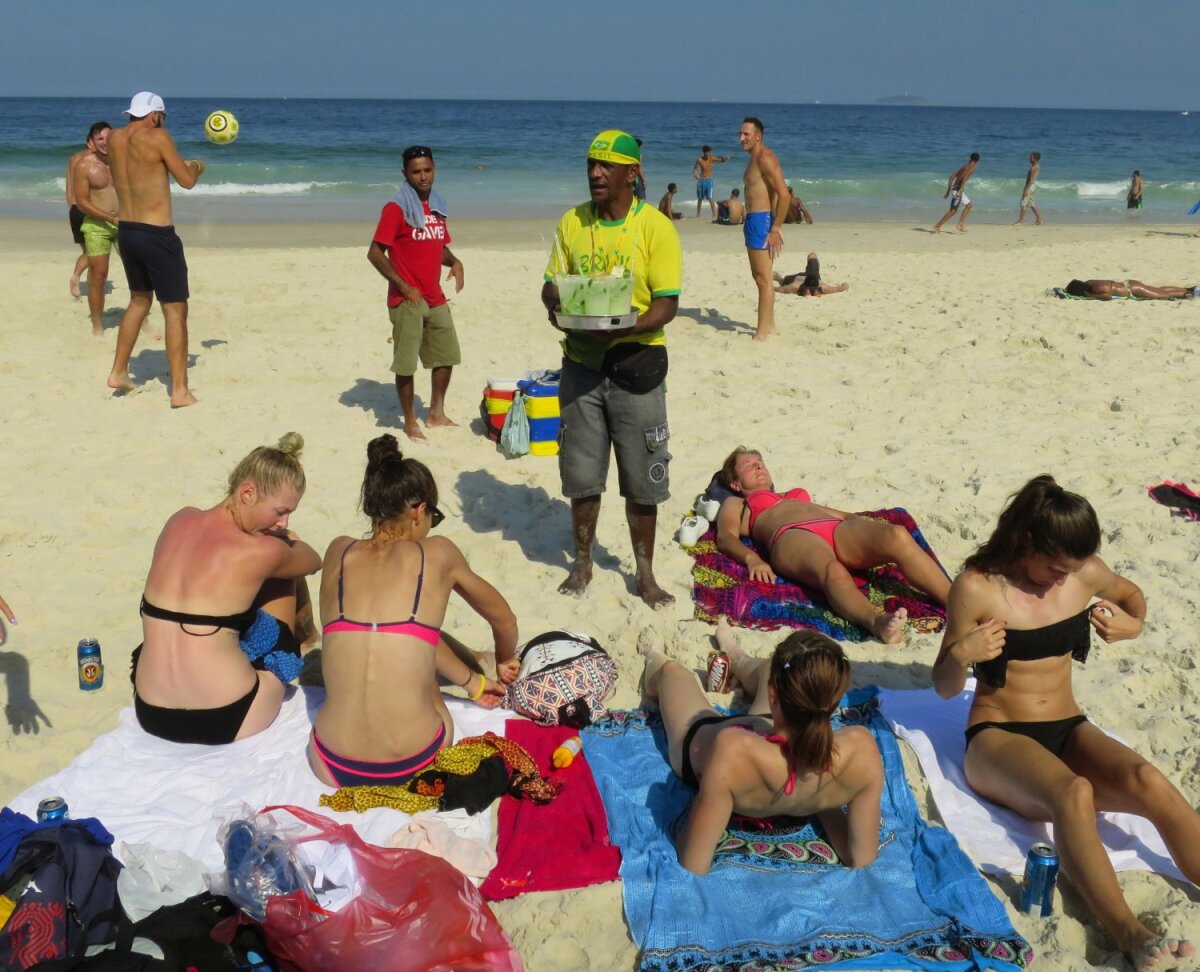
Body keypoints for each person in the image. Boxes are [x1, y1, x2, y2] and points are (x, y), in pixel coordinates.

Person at [931, 475, 1198, 971]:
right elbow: (944, 685)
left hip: (1068, 724)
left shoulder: (1083, 572)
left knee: (1147, 779)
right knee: (1074, 793)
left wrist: (1131, 626)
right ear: (1028, 540)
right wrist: (962, 654)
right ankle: (1130, 934)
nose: (1061, 580)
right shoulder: (977, 586)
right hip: (996, 736)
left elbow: (1133, 597)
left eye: (1070, 571)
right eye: (1054, 568)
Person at [308, 434, 519, 788]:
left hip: (330, 763)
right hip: (413, 762)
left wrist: (472, 682)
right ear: (418, 511)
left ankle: (472, 678)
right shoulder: (437, 553)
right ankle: (473, 676)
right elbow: (504, 619)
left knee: (401, 636)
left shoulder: (337, 551)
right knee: (418, 656)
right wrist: (505, 658)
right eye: (434, 516)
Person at [541, 129, 682, 609]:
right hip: (581, 364)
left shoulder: (655, 228)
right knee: (581, 474)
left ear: (632, 173)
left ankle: (644, 573)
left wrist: (623, 328)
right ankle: (582, 562)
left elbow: (667, 304)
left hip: (637, 367)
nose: (596, 173)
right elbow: (550, 284)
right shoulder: (572, 222)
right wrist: (556, 306)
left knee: (642, 479)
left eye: (606, 166)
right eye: (590, 164)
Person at [640, 619, 883, 875]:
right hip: (774, 727)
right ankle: (736, 656)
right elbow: (860, 857)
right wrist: (821, 802)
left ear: (773, 695)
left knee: (672, 673)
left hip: (703, 739)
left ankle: (653, 654)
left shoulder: (733, 749)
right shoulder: (862, 749)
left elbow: (693, 861)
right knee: (770, 669)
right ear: (835, 700)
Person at [132, 433, 321, 745]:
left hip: (151, 712)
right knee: (285, 562)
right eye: (280, 511)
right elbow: (313, 561)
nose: (284, 522)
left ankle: (308, 636)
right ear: (247, 492)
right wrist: (288, 541)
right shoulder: (261, 551)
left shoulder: (179, 519)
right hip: (228, 716)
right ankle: (308, 638)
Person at [714, 447, 950, 644]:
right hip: (792, 535)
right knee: (832, 570)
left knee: (896, 535)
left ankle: (956, 601)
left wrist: (867, 526)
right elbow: (726, 537)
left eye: (760, 462)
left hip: (833, 527)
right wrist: (752, 559)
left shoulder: (791, 494)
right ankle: (876, 622)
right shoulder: (737, 503)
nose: (758, 466)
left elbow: (844, 515)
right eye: (748, 465)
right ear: (735, 483)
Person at [105, 92, 205, 408]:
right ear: (154, 115)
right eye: (162, 117)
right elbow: (186, 180)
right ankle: (180, 390)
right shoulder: (159, 136)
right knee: (175, 309)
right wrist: (196, 166)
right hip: (156, 233)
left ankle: (119, 371)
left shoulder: (114, 139)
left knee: (139, 300)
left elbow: (137, 172)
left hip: (128, 231)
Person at [368, 145, 464, 442]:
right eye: (416, 172)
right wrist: (403, 285)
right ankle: (410, 422)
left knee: (447, 356)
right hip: (407, 298)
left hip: (435, 295)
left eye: (427, 170)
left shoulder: (437, 206)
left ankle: (436, 413)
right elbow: (375, 253)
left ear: (435, 169)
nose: (423, 177)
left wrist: (455, 261)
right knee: (407, 364)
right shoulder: (396, 208)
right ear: (405, 174)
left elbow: (437, 246)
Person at [738, 117, 790, 341]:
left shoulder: (766, 158)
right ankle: (771, 326)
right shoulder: (754, 159)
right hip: (753, 220)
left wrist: (775, 228)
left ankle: (761, 334)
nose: (741, 138)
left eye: (746, 134)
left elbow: (784, 194)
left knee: (763, 280)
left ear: (758, 136)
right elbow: (773, 193)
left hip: (761, 221)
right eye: (740, 134)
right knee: (761, 276)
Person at [71, 122, 119, 336]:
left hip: (126, 223)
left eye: (108, 138)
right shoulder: (84, 165)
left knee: (137, 274)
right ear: (92, 142)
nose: (105, 143)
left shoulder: (123, 160)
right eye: (100, 139)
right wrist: (110, 218)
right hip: (97, 226)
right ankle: (97, 325)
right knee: (98, 277)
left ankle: (142, 320)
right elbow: (81, 202)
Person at [67, 123, 108, 299]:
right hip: (88, 210)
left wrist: (71, 209)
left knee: (88, 252)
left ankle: (81, 278)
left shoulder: (74, 159)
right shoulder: (90, 161)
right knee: (93, 253)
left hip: (74, 210)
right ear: (90, 142)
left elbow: (69, 189)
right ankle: (77, 276)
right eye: (98, 140)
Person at [933, 152, 980, 234]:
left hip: (955, 189)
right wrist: (961, 189)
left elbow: (951, 177)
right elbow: (965, 177)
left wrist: (948, 191)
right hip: (958, 190)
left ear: (970, 158)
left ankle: (960, 224)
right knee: (953, 211)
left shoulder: (964, 166)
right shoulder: (971, 167)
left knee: (969, 205)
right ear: (977, 161)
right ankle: (938, 226)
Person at [774, 253, 849, 296]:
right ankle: (778, 278)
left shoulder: (796, 287)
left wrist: (844, 285)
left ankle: (778, 278)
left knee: (782, 281)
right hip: (800, 278)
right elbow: (842, 288)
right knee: (782, 281)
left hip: (800, 278)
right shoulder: (824, 288)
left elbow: (779, 289)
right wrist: (845, 284)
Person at [1062, 278, 1196, 301]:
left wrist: (1092, 296)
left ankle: (1187, 293)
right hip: (1128, 283)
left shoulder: (1094, 290)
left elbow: (1107, 296)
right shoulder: (1090, 282)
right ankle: (1187, 288)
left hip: (1132, 290)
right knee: (1158, 290)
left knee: (1162, 295)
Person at [692, 145, 730, 219]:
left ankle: (714, 214)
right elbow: (694, 169)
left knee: (710, 198)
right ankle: (698, 214)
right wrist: (695, 175)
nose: (709, 154)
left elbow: (721, 160)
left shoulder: (711, 158)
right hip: (701, 181)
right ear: (704, 152)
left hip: (709, 181)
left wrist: (725, 159)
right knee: (700, 198)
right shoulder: (699, 159)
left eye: (710, 152)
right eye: (708, 152)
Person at [1014, 152, 1042, 226]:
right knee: (1031, 204)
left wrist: (1026, 190)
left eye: (1031, 157)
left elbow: (1031, 180)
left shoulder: (1034, 168)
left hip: (1030, 186)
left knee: (1024, 203)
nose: (1029, 159)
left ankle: (1021, 221)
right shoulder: (1037, 166)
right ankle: (1039, 219)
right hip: (1033, 186)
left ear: (1035, 159)